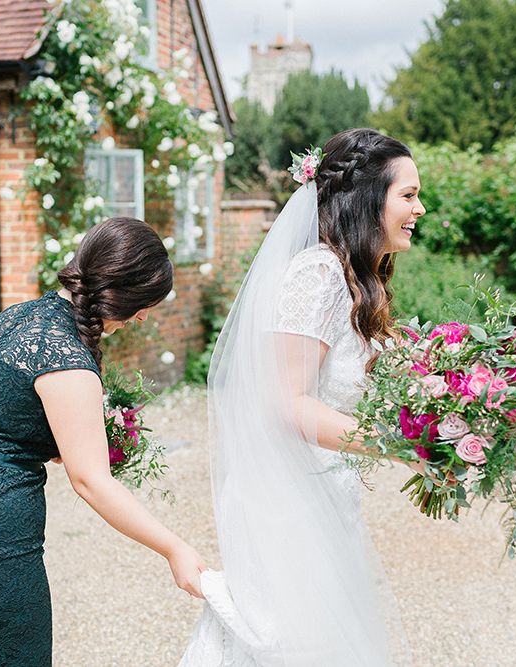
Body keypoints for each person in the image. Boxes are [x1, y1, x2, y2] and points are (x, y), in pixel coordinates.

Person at [178, 128, 426, 666]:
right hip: (285, 499)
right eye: (407, 195)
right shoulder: (318, 274)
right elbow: (284, 403)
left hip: (322, 489)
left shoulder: (355, 279)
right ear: (366, 198)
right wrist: (402, 444)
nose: (419, 208)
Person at [0, 217, 207, 666]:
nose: (145, 316)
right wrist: (175, 549)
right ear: (119, 291)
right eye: (145, 303)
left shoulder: (15, 316)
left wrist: (31, 435)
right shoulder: (67, 356)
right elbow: (90, 481)